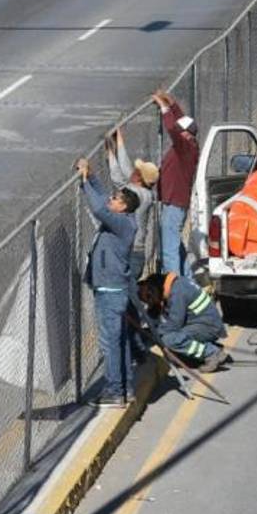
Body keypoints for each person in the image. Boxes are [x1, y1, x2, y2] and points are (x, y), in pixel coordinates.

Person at [77, 157, 141, 408]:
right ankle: (125, 387)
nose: (111, 200)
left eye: (116, 199)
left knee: (109, 343)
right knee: (119, 341)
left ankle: (114, 391)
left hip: (110, 292)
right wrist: (91, 176)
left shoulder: (121, 223)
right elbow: (103, 200)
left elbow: (99, 208)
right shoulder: (119, 218)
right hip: (112, 290)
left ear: (123, 207)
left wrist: (84, 181)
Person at [105, 128, 159, 320]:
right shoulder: (143, 190)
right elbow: (127, 170)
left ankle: (134, 339)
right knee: (128, 300)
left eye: (138, 171)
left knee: (125, 301)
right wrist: (119, 140)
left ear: (140, 178)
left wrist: (109, 152)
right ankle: (134, 336)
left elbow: (119, 178)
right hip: (134, 252)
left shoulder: (138, 195)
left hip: (131, 254)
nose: (134, 170)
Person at [137, 272, 230, 373]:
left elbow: (173, 325)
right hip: (204, 323)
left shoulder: (177, 292)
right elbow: (160, 314)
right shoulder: (175, 285)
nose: (150, 303)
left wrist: (155, 333)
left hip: (208, 327)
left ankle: (211, 353)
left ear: (153, 290)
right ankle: (211, 348)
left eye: (149, 299)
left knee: (169, 340)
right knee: (172, 347)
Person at [152, 91, 199, 279]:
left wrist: (163, 108)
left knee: (169, 252)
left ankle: (174, 287)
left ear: (186, 134)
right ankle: (189, 282)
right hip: (175, 203)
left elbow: (173, 128)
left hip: (174, 205)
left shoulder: (185, 147)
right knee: (175, 246)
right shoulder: (189, 143)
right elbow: (180, 122)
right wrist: (172, 103)